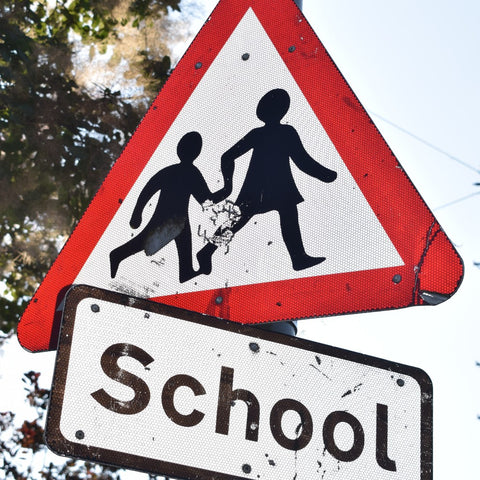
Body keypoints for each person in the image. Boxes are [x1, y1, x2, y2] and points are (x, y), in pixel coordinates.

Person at [196, 88, 338, 276]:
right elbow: (302, 161)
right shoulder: (281, 132)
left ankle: (297, 257)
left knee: (264, 216)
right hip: (268, 187)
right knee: (241, 220)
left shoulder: (271, 133)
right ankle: (207, 251)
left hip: (272, 187)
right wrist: (325, 175)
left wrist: (325, 174)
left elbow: (302, 161)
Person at [110, 131, 223, 283]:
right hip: (168, 219)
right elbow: (207, 200)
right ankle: (117, 254)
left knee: (174, 243)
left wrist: (137, 213)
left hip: (180, 220)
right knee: (143, 241)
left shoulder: (179, 171)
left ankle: (186, 270)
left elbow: (205, 200)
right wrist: (227, 188)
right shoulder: (189, 173)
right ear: (197, 152)